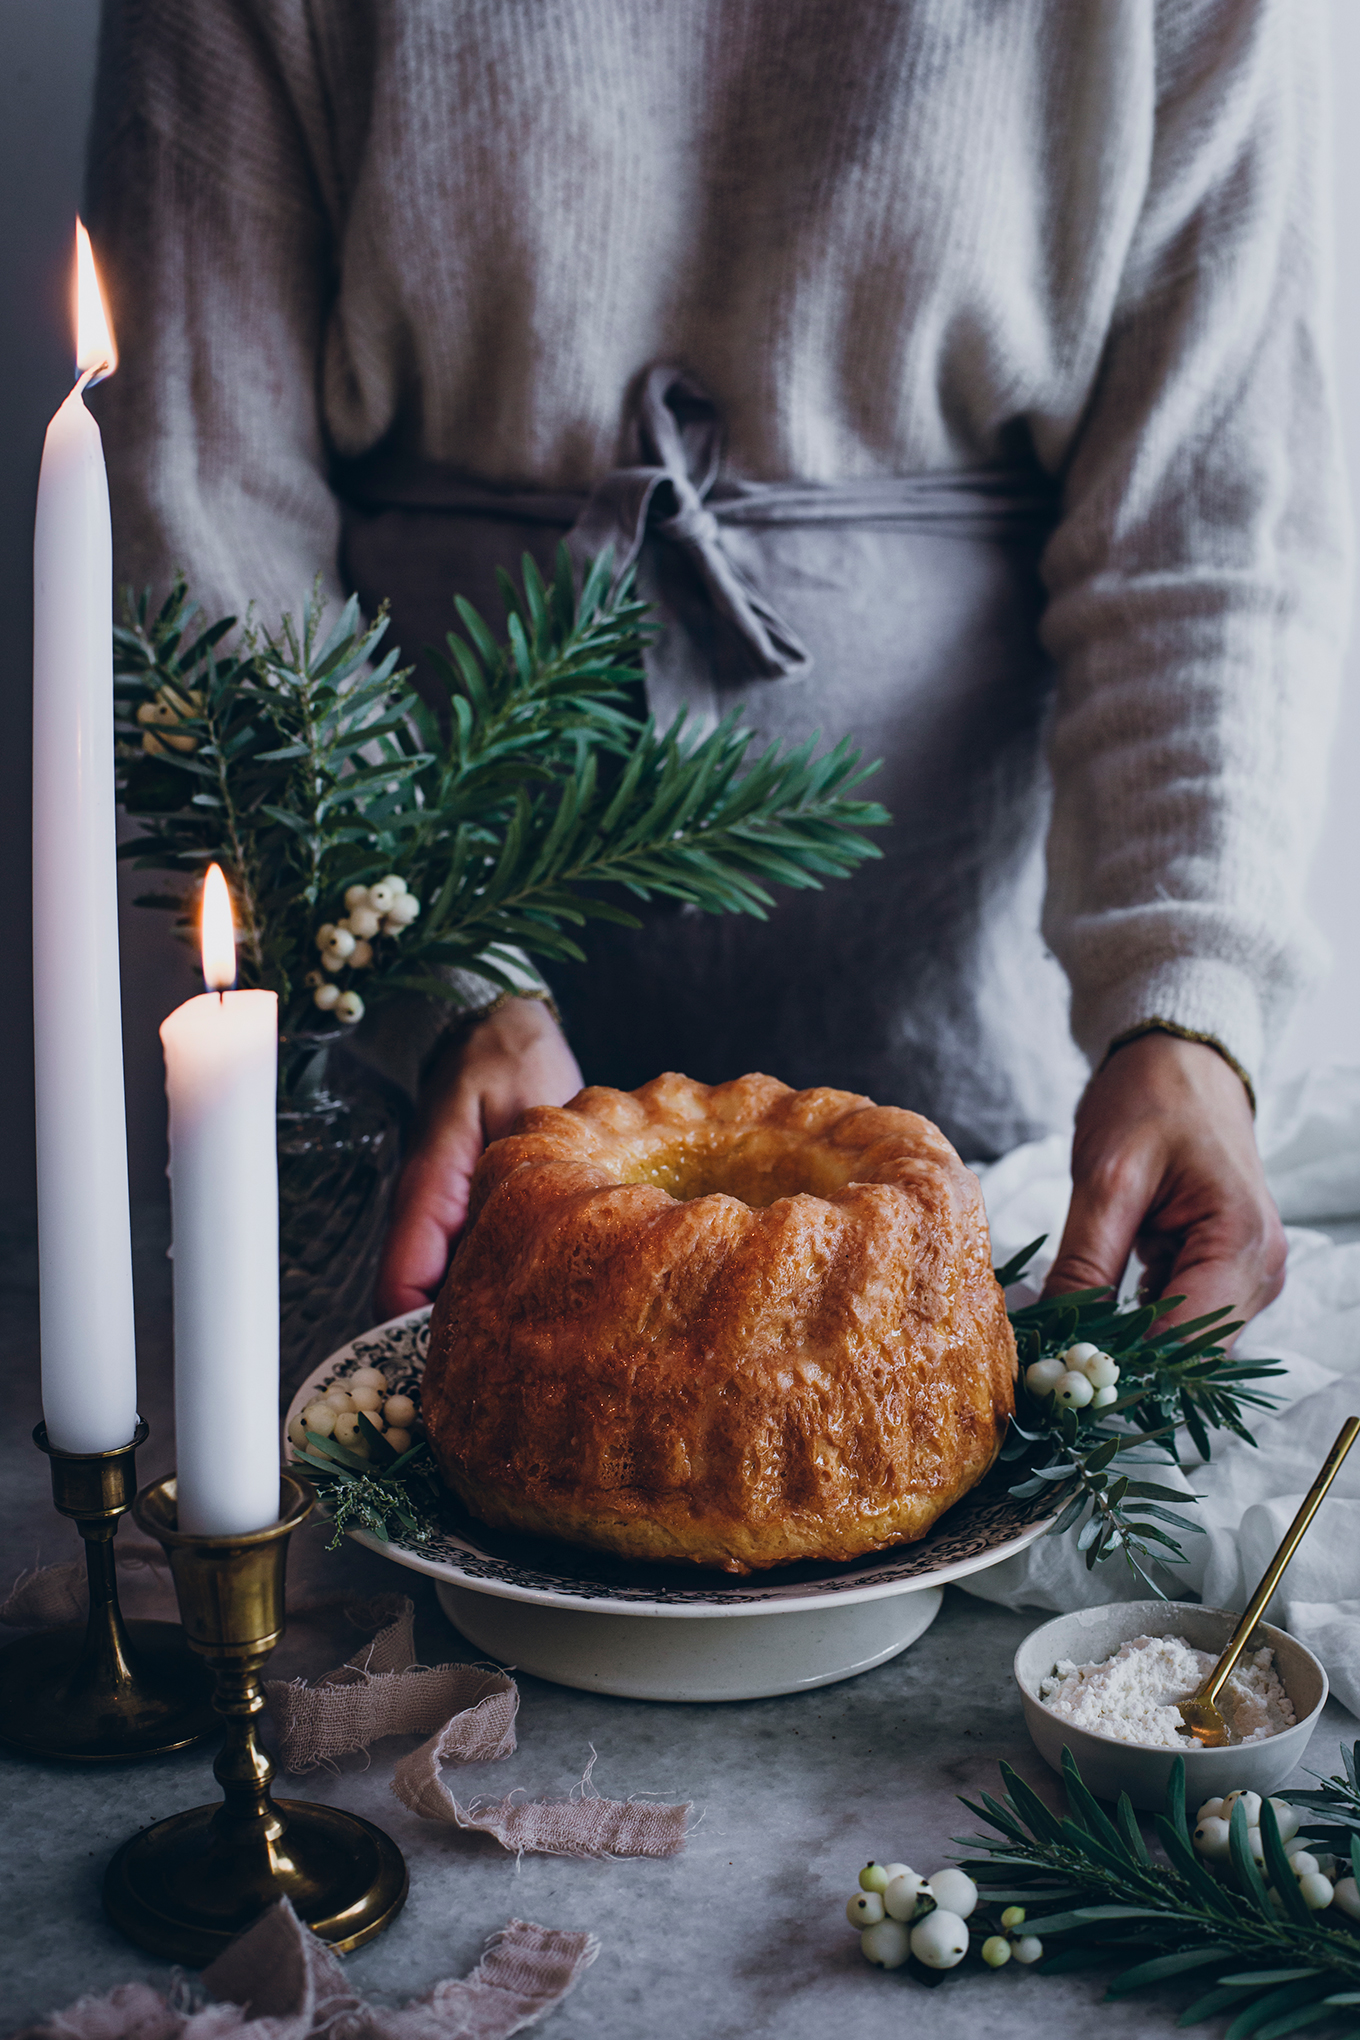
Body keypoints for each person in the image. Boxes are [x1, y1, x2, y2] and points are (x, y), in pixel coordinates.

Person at [88, 0, 1346, 1338]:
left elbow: (1211, 519)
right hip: (403, 1139)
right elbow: (205, 496)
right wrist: (444, 989)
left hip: (987, 1120)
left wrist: (1186, 1013)